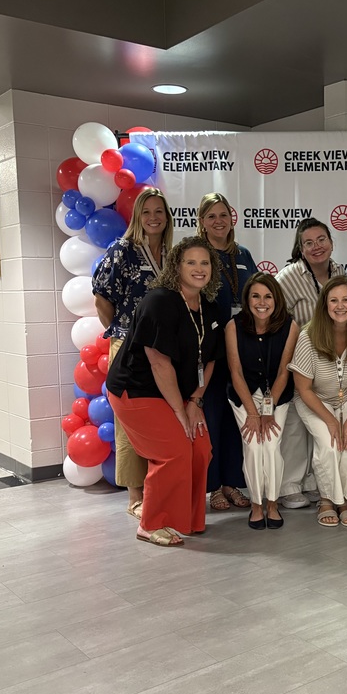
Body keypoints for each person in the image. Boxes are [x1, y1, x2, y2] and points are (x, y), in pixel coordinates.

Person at [106, 237, 223, 546]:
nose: (199, 269)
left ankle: (187, 519)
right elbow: (158, 362)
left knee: (200, 448)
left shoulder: (208, 309)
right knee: (174, 451)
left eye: (205, 262)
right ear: (176, 267)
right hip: (137, 391)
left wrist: (195, 401)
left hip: (180, 394)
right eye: (191, 262)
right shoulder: (159, 301)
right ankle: (151, 523)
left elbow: (209, 360)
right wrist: (179, 409)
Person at [92, 187, 174, 520]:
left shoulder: (172, 253)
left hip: (164, 350)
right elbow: (101, 298)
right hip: (128, 347)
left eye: (159, 211)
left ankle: (160, 488)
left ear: (167, 216)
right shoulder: (121, 251)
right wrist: (124, 337)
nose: (153, 218)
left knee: (161, 420)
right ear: (137, 216)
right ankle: (135, 496)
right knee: (129, 423)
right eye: (146, 212)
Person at [289, 276, 347, 527]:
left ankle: (345, 500)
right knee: (331, 443)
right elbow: (303, 387)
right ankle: (327, 500)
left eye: (345, 299)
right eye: (333, 300)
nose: (340, 306)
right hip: (315, 399)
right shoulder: (308, 336)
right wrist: (331, 421)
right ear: (325, 304)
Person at [275, 218, 347, 509]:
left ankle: (314, 482)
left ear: (331, 241)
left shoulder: (341, 272)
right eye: (309, 242)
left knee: (320, 424)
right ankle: (289, 486)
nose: (316, 247)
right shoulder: (288, 277)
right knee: (294, 426)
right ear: (300, 248)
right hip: (300, 362)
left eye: (321, 240)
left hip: (333, 366)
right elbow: (273, 317)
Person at [196, 192, 257, 512]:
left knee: (236, 419)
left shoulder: (243, 253)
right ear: (202, 222)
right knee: (212, 418)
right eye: (211, 216)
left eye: (223, 215)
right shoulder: (198, 254)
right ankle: (212, 487)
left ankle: (232, 483)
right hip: (209, 351)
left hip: (242, 350)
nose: (218, 221)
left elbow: (258, 294)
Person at [225, 274, 299, 530]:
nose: (262, 302)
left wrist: (267, 410)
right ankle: (257, 505)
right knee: (255, 446)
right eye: (255, 295)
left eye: (268, 296)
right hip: (244, 395)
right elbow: (235, 372)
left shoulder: (290, 326)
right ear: (247, 299)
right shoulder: (233, 326)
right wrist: (253, 413)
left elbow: (283, 372)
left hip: (276, 396)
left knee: (271, 447)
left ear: (276, 300)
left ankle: (273, 504)